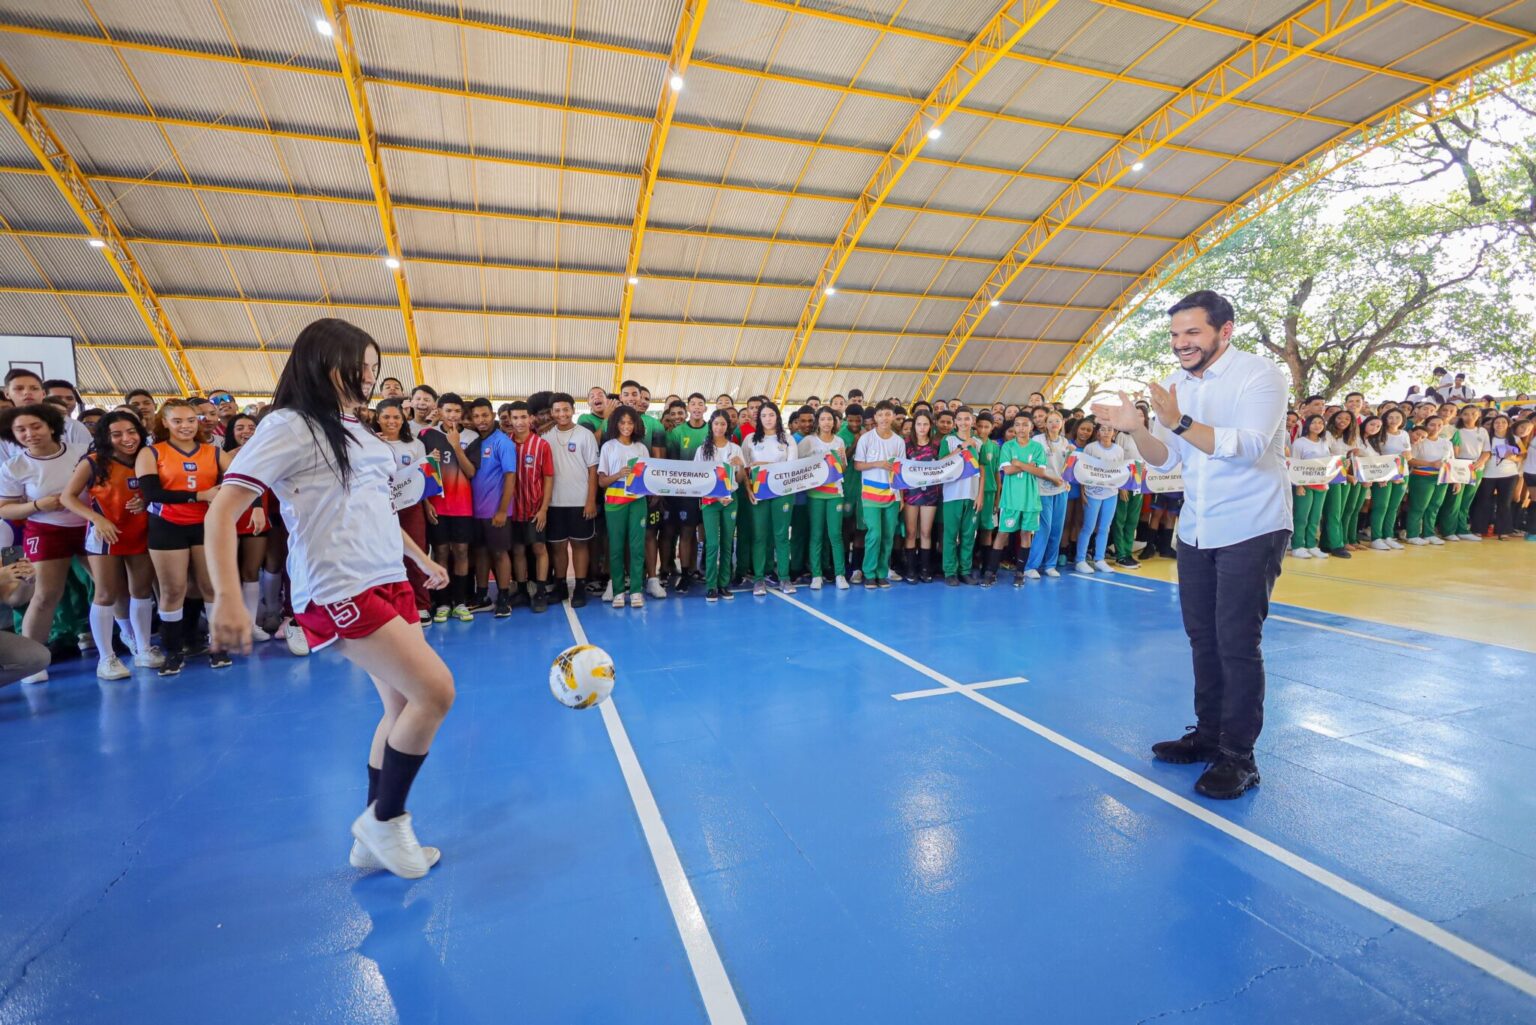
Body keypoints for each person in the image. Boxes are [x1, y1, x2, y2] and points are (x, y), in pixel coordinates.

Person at [208, 317, 453, 880]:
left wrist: (420, 559)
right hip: (340, 585)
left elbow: (375, 507)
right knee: (436, 693)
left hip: (387, 577)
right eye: (359, 366)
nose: (370, 376)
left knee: (401, 707)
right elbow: (222, 510)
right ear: (324, 364)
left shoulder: (357, 429)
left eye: (373, 367)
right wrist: (226, 597)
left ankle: (373, 837)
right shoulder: (289, 426)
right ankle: (386, 821)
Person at [1092, 289, 1291, 801]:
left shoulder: (1261, 375)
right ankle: (1208, 735)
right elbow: (1165, 458)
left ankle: (1239, 756)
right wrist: (1138, 429)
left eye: (1192, 332)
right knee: (1202, 637)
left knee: (1237, 642)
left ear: (1224, 331)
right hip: (1198, 527)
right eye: (1176, 334)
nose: (1181, 342)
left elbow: (1247, 448)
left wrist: (1179, 419)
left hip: (1252, 524)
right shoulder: (1177, 384)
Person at [60, 410, 161, 677]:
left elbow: (157, 490)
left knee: (141, 591)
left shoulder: (149, 458)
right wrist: (96, 519)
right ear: (105, 437)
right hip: (105, 535)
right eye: (117, 434)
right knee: (106, 594)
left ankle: (144, 648)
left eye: (131, 432)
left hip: (141, 532)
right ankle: (107, 658)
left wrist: (146, 500)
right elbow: (67, 497)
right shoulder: (93, 462)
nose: (126, 438)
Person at [0, 403, 91, 681]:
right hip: (46, 530)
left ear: (51, 426)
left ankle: (126, 642)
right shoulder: (14, 466)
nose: (30, 434)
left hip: (89, 526)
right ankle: (32, 660)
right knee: (45, 594)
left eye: (36, 426)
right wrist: (38, 505)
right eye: (21, 430)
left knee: (111, 588)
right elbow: (5, 509)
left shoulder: (81, 452)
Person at [136, 399, 227, 675]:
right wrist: (199, 495)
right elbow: (152, 493)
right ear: (165, 422)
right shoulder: (151, 452)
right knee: (173, 590)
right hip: (167, 525)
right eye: (177, 421)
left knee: (209, 586)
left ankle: (218, 646)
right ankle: (173, 651)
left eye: (191, 420)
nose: (185, 426)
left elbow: (240, 479)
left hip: (204, 525)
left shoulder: (214, 452)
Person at [374, 399, 433, 624]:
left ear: (403, 419)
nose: (392, 421)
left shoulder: (415, 444)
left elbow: (423, 476)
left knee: (416, 554)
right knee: (385, 556)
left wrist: (427, 505)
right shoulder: (370, 443)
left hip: (410, 507)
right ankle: (388, 606)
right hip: (379, 509)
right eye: (386, 417)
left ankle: (421, 605)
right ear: (377, 418)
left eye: (396, 417)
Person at [541, 393, 598, 607]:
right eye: (557, 410)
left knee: (580, 545)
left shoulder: (585, 435)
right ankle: (561, 586)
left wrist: (590, 501)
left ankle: (580, 587)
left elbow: (593, 470)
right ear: (552, 413)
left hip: (580, 502)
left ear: (573, 410)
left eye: (566, 409)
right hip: (554, 502)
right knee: (557, 547)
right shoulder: (545, 436)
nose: (562, 414)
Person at [221, 414, 274, 636]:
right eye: (240, 427)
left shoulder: (269, 454)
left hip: (258, 519)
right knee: (230, 573)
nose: (246, 432)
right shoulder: (222, 456)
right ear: (231, 432)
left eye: (252, 427)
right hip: (231, 519)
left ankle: (251, 624)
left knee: (251, 571)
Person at [597, 407, 649, 608]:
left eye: (630, 422)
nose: (626, 426)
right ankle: (618, 591)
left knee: (637, 547)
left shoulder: (641, 448)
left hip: (638, 502)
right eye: (622, 422)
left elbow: (648, 478)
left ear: (636, 425)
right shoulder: (608, 447)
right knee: (616, 547)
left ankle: (636, 590)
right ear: (615, 424)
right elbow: (601, 481)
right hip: (614, 502)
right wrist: (618, 474)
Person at [745, 400, 796, 596]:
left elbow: (791, 467)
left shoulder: (787, 440)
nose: (768, 419)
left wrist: (764, 463)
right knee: (759, 536)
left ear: (777, 417)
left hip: (783, 492)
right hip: (759, 492)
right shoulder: (750, 440)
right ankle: (759, 579)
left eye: (771, 415)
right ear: (759, 418)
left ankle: (784, 577)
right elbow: (745, 468)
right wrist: (749, 489)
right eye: (764, 415)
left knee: (781, 536)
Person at [506, 401, 553, 614]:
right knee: (517, 550)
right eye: (515, 417)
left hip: (534, 509)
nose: (520, 422)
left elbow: (548, 478)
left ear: (531, 418)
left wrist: (543, 509)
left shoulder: (541, 445)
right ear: (509, 419)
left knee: (539, 548)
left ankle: (540, 591)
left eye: (523, 417)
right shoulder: (505, 443)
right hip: (512, 509)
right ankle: (522, 590)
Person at [695, 409, 746, 602]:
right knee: (712, 543)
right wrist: (716, 497)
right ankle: (711, 585)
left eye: (723, 424)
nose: (719, 427)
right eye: (716, 423)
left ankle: (724, 583)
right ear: (711, 425)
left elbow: (739, 480)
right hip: (710, 501)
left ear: (728, 426)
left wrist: (741, 465)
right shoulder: (702, 450)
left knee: (727, 543)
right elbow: (698, 478)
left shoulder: (735, 448)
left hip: (731, 499)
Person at [854, 401, 905, 589]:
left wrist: (901, 497)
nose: (884, 418)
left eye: (888, 414)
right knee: (874, 534)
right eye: (881, 414)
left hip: (892, 495)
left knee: (888, 536)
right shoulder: (866, 439)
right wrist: (878, 464)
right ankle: (869, 573)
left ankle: (881, 573)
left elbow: (901, 471)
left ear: (893, 417)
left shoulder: (899, 441)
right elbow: (857, 465)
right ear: (875, 417)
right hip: (870, 495)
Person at [798, 406, 848, 590]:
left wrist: (842, 459)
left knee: (835, 535)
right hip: (815, 494)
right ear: (818, 422)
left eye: (830, 419)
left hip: (835, 494)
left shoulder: (839, 441)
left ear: (834, 422)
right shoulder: (808, 441)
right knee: (816, 534)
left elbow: (843, 469)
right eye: (823, 419)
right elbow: (798, 465)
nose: (827, 422)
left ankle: (840, 574)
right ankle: (816, 575)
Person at [938, 406, 982, 586]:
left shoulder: (978, 442)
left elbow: (982, 470)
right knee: (950, 534)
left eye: (967, 419)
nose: (964, 422)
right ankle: (950, 571)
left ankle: (965, 570)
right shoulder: (948, 440)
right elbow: (941, 463)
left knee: (968, 535)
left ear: (973, 421)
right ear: (955, 422)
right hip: (952, 494)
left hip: (972, 494)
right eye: (960, 419)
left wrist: (980, 495)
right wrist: (962, 447)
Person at [1024, 410, 1071, 579]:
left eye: (1057, 421)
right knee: (1044, 528)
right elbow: (1033, 466)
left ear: (1062, 422)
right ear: (1045, 423)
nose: (1054, 424)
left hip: (1061, 490)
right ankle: (1031, 566)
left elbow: (1067, 466)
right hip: (1042, 490)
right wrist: (1051, 478)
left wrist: (1066, 481)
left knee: (1057, 529)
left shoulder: (1065, 442)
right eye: (1050, 421)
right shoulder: (1037, 440)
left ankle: (1050, 565)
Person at [1073, 420, 1123, 573]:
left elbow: (1120, 471)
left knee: (1104, 528)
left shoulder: (1118, 450)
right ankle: (1080, 560)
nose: (1106, 432)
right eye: (1103, 429)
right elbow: (1083, 470)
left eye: (1110, 429)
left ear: (1114, 432)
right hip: (1092, 493)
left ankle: (1099, 559)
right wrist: (1082, 492)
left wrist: (1121, 488)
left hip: (1111, 493)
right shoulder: (1090, 448)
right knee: (1088, 527)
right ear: (1098, 432)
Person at [900, 411, 940, 583]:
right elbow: (899, 469)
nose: (922, 428)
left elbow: (945, 465)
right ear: (914, 426)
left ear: (930, 426)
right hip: (911, 493)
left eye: (925, 424)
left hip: (930, 494)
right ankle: (910, 569)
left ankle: (925, 569)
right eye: (919, 424)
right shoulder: (905, 444)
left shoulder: (936, 445)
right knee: (911, 532)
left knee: (925, 532)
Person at [1404, 415, 1452, 545]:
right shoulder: (1420, 440)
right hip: (1422, 476)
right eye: (1432, 424)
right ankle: (1412, 534)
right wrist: (1431, 464)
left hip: (1441, 478)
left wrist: (1456, 480)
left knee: (1434, 506)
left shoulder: (1447, 442)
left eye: (1439, 425)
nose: (1436, 428)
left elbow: (1451, 461)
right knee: (1418, 506)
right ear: (1426, 425)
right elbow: (1410, 460)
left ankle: (1429, 533)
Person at [1288, 414, 1330, 559]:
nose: (1318, 426)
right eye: (1314, 423)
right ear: (1307, 425)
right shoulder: (1299, 443)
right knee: (1302, 517)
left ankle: (1311, 545)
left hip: (1321, 484)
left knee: (1315, 517)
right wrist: (1299, 485)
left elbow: (1328, 463)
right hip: (1304, 484)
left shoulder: (1324, 442)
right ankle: (1297, 545)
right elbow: (1294, 464)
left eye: (1320, 423)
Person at [1368, 408, 1411, 550]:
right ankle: (1376, 537)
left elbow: (1408, 455)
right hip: (1384, 475)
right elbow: (1376, 456)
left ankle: (1388, 536)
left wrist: (1407, 456)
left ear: (1403, 419)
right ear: (1385, 419)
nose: (1394, 420)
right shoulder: (1379, 433)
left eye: (1397, 417)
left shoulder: (1404, 434)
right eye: (1390, 417)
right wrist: (1387, 474)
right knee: (1381, 506)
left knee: (1393, 507)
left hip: (1402, 474)